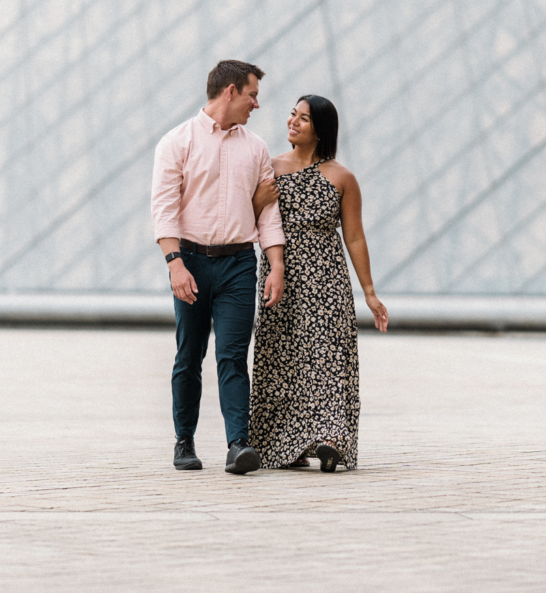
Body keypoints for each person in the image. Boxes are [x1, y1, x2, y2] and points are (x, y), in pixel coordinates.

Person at [151, 60, 286, 474]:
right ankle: (184, 441)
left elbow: (268, 215)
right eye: (252, 94)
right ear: (230, 91)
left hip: (239, 265)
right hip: (190, 260)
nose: (257, 105)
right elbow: (164, 208)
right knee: (189, 355)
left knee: (232, 355)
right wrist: (175, 265)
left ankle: (237, 445)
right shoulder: (176, 142)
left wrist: (276, 265)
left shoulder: (257, 147)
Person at [248, 94, 388, 473]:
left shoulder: (342, 178)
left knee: (327, 359)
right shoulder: (269, 168)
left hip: (327, 284)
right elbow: (246, 221)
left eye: (303, 118)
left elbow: (354, 237)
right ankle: (285, 445)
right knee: (282, 359)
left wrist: (370, 294)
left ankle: (330, 440)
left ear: (321, 129)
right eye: (293, 114)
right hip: (280, 280)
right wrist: (258, 200)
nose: (292, 121)